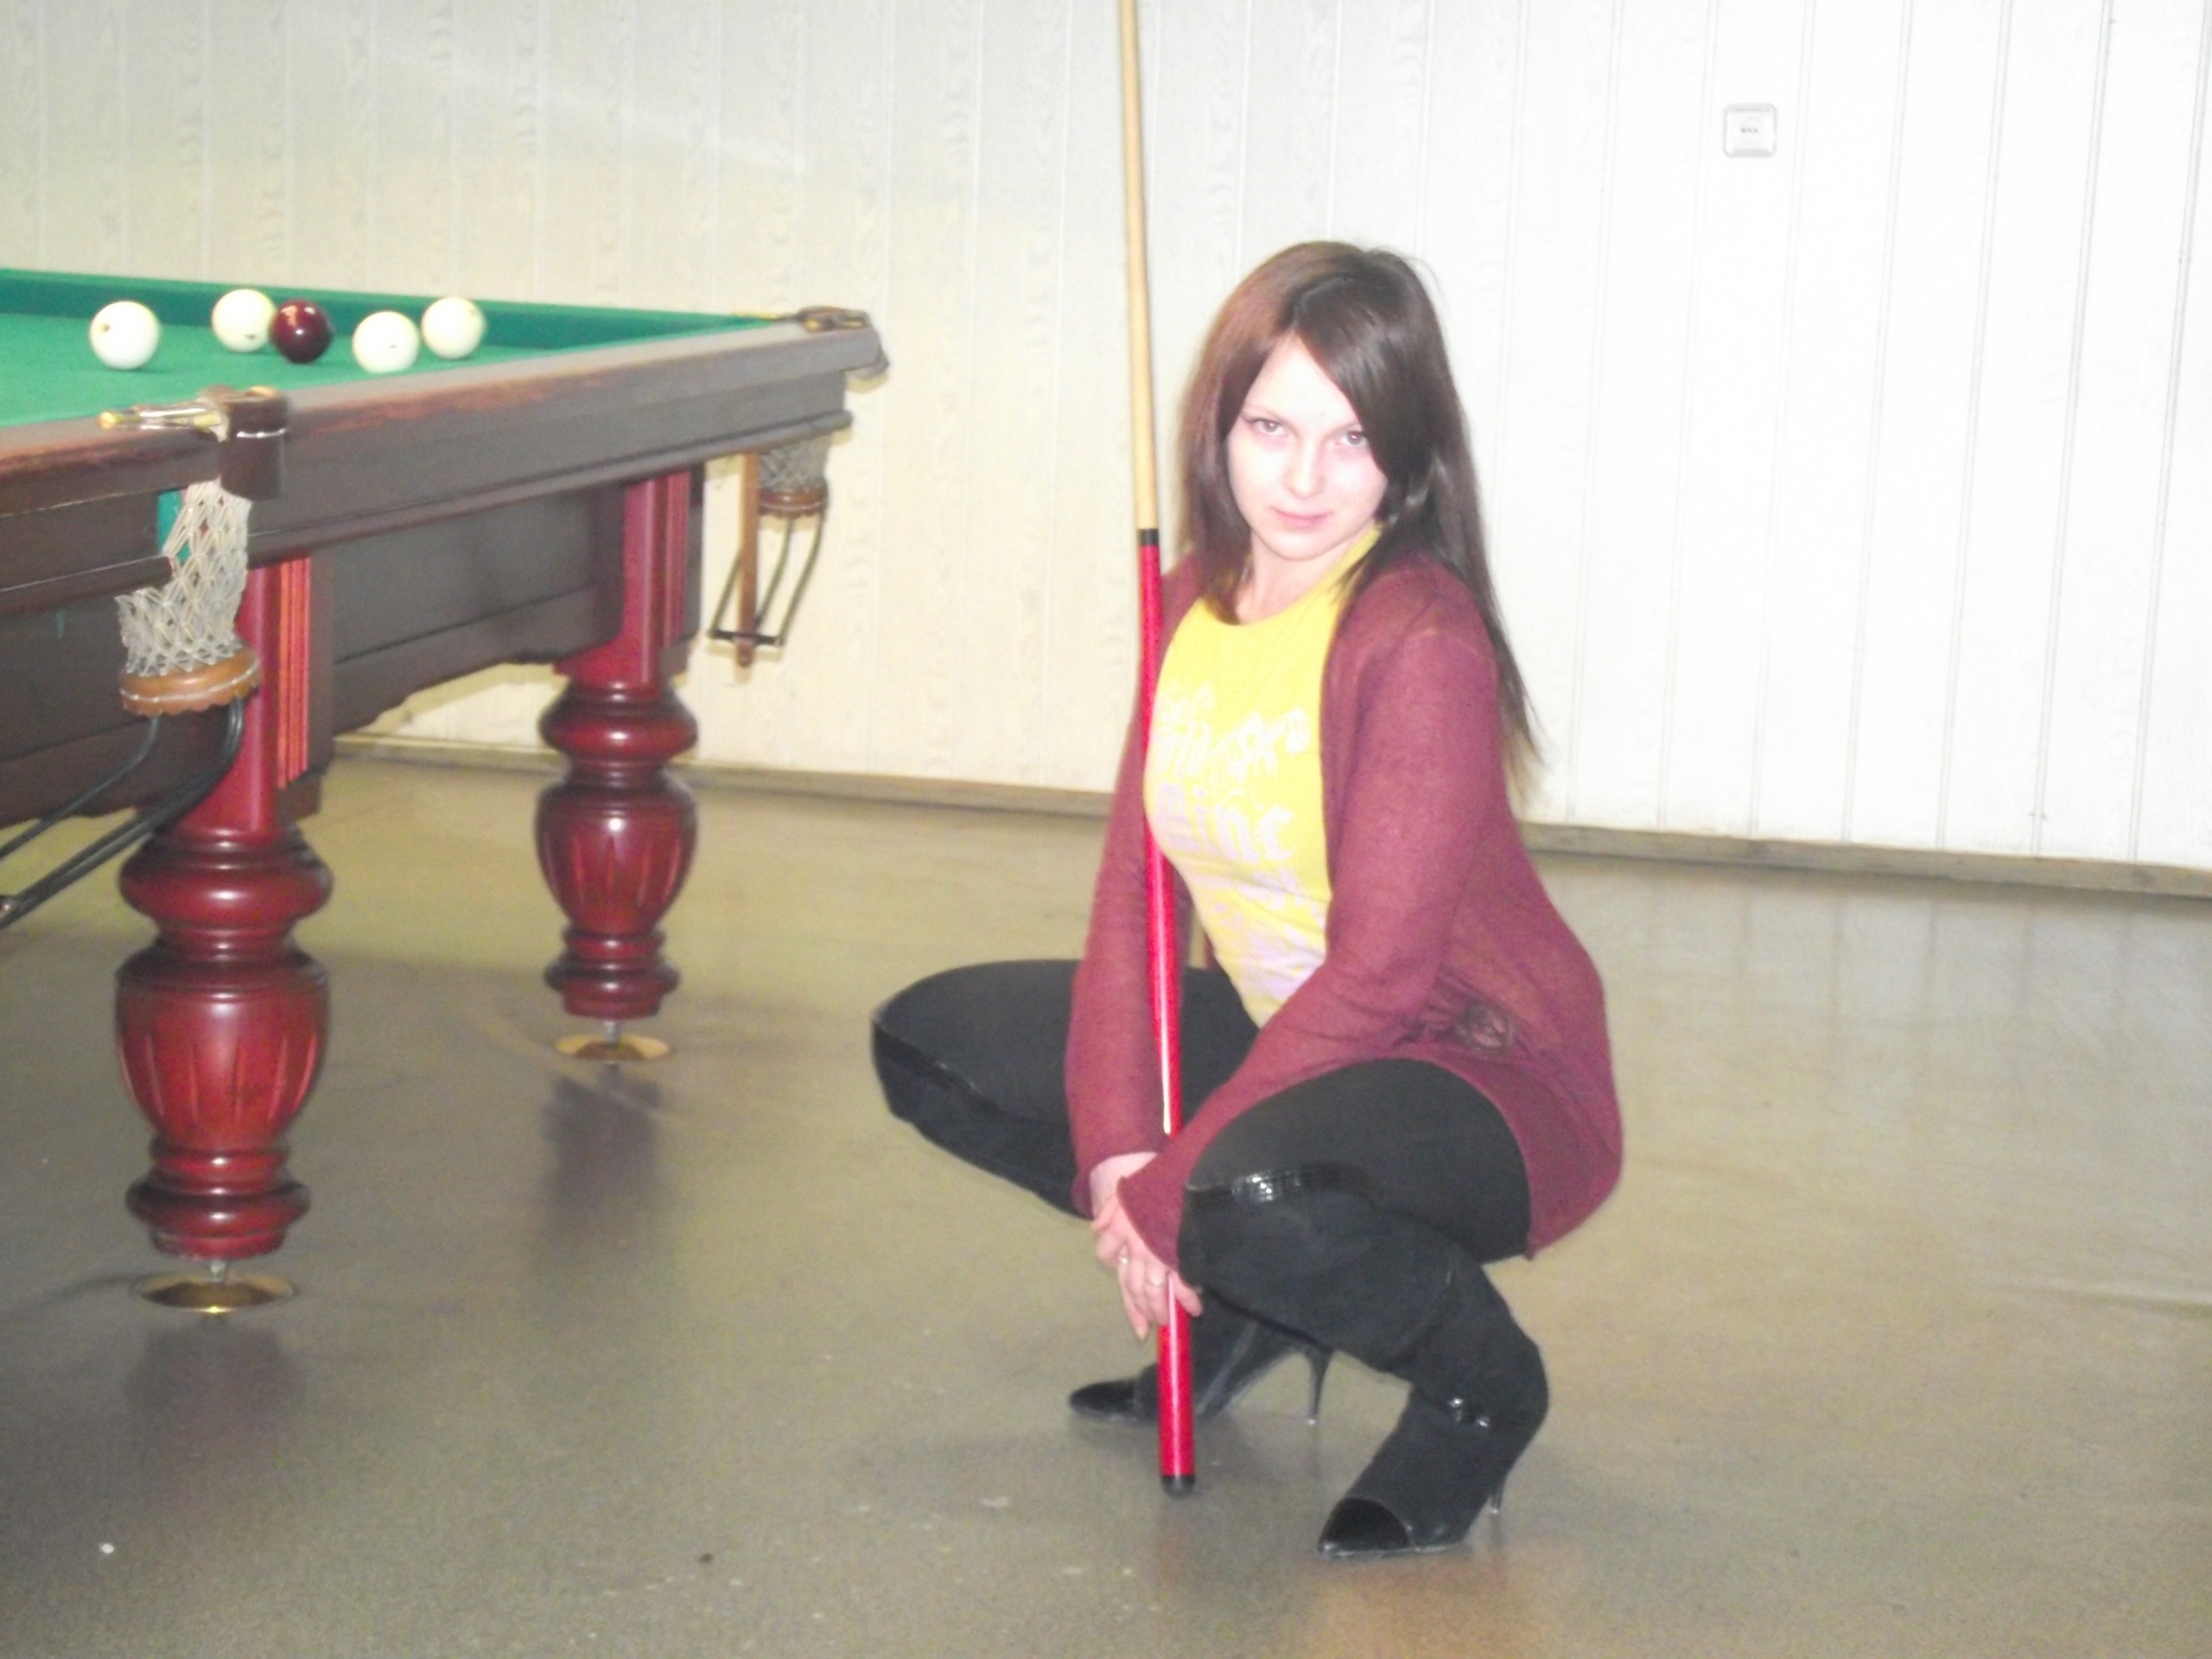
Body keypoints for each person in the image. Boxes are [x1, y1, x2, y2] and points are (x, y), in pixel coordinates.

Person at [872, 242, 1621, 1560]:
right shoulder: (1190, 606)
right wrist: (1121, 1145)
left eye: (1352, 438)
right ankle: (1257, 1297)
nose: (1304, 479)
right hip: (1302, 1039)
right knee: (938, 1047)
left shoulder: (1419, 639)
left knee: (1241, 1189)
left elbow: (1382, 979)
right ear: (1218, 425)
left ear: (1407, 454)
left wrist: (1173, 1193)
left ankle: (1480, 1386)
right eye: (1272, 428)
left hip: (1481, 1073)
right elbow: (1134, 889)